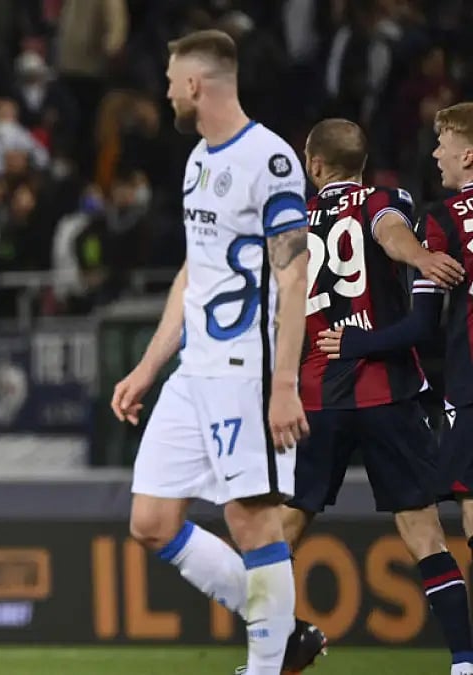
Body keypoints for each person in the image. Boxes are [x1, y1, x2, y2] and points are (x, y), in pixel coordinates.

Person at [109, 30, 321, 674]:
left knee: (252, 521)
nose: (168, 90)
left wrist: (284, 383)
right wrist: (149, 366)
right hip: (192, 369)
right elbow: (193, 272)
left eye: (173, 80)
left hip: (245, 372)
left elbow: (292, 274)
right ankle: (283, 632)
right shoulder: (199, 157)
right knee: (150, 520)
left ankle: (268, 662)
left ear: (197, 84)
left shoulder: (270, 160)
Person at [294, 118, 473, 675]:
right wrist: (418, 256)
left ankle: (275, 646)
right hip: (386, 389)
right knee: (422, 530)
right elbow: (390, 231)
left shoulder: (292, 221)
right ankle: (465, 661)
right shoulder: (383, 199)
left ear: (314, 165)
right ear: (362, 163)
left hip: (317, 390)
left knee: (279, 533)